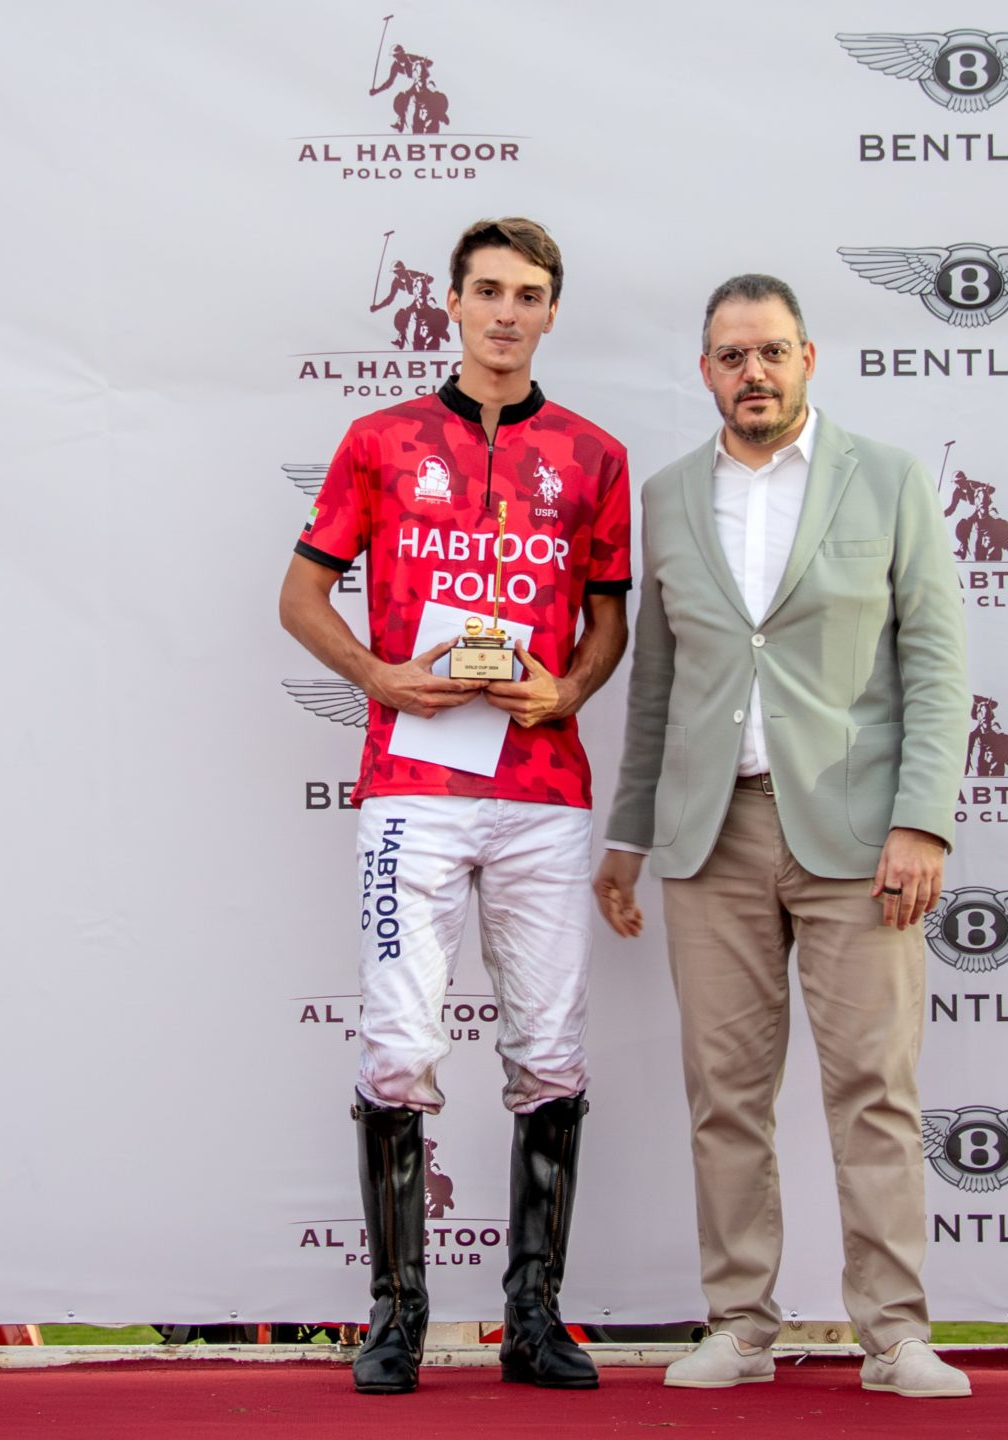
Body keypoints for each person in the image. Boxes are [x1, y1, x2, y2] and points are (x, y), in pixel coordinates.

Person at [594, 275, 973, 1398]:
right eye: (730, 356)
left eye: (769, 351)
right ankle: (738, 1325)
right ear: (705, 372)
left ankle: (894, 1334)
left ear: (808, 357)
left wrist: (922, 822)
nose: (751, 373)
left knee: (873, 1089)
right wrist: (629, 834)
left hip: (857, 839)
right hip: (709, 838)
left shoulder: (889, 480)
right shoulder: (669, 496)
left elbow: (936, 661)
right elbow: (656, 684)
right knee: (725, 1094)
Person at [278, 217, 632, 1396]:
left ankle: (533, 1318)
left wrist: (569, 690)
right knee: (397, 1048)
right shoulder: (379, 440)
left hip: (542, 794)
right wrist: (377, 676)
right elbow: (300, 596)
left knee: (551, 1050)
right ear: (452, 302)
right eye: (487, 291)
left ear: (551, 311)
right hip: (412, 792)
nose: (505, 312)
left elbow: (609, 620)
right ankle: (396, 1317)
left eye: (527, 294)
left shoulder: (593, 455)